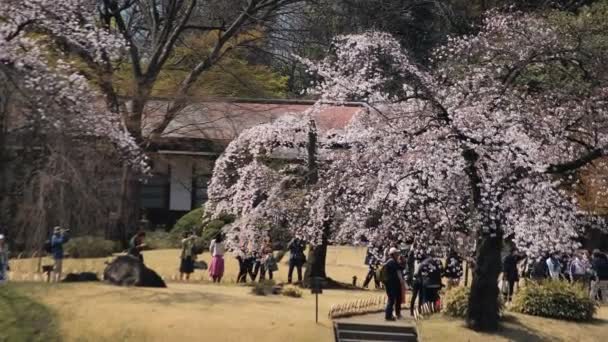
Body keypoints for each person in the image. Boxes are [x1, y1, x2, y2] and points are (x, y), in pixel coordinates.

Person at [382, 247, 404, 321]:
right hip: (392, 284)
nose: (398, 254)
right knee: (391, 300)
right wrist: (402, 262)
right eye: (397, 253)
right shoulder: (392, 262)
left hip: (392, 284)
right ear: (393, 254)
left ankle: (393, 314)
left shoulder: (391, 261)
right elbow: (401, 267)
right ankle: (388, 316)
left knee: (396, 299)